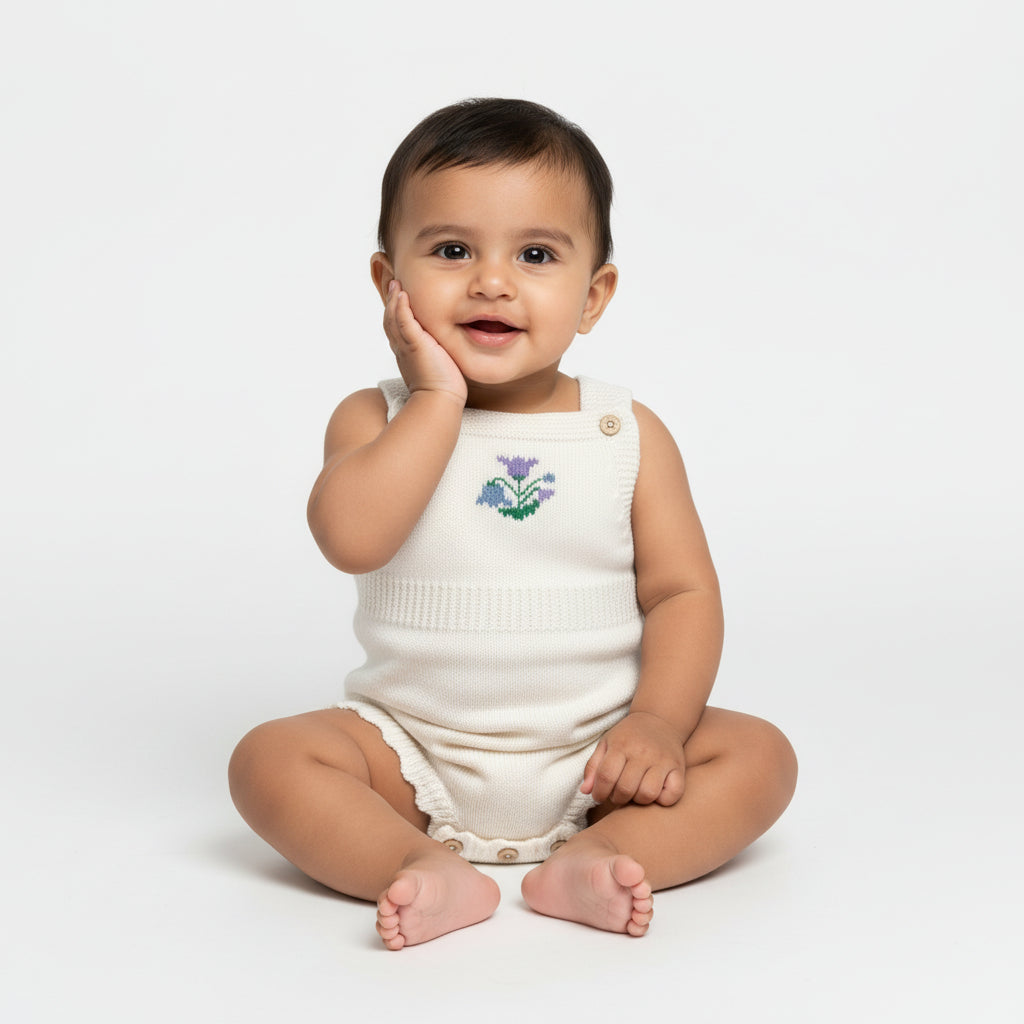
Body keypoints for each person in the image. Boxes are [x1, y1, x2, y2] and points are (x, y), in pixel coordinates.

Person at [228, 97, 798, 950]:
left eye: (535, 255)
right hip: (409, 749)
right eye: (452, 250)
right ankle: (412, 862)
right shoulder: (374, 419)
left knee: (760, 756)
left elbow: (682, 593)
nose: (491, 281)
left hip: (598, 752)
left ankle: (604, 853)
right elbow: (352, 539)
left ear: (593, 296)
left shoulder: (623, 432)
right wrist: (436, 396)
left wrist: (656, 723)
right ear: (389, 285)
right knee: (268, 759)